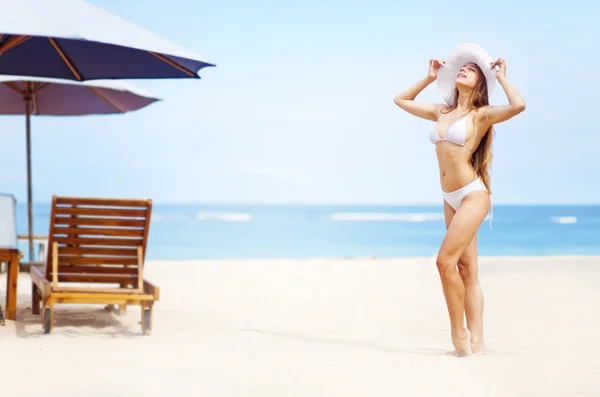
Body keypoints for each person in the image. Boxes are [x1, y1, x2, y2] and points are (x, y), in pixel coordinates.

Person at [393, 43, 526, 357]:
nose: (464, 70)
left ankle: (459, 335)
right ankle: (478, 343)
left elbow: (518, 105)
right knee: (467, 269)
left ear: (479, 81)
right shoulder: (442, 111)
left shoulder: (481, 115)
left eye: (471, 69)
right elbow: (401, 100)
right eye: (461, 67)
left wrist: (502, 78)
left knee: (444, 263)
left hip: (472, 195)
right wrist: (429, 77)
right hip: (449, 197)